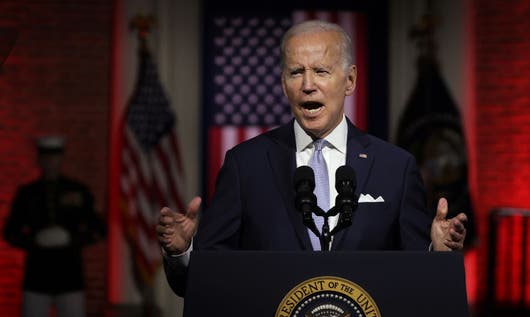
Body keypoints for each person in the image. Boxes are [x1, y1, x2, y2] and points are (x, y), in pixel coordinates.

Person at [156, 20, 468, 296]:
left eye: (321, 71)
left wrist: (437, 253)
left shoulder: (395, 168)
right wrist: (183, 252)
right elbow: (209, 282)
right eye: (296, 73)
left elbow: (417, 278)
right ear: (283, 84)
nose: (308, 85)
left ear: (350, 81)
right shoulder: (245, 165)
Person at [3, 136, 106, 317]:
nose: (50, 162)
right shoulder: (27, 194)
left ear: (61, 158)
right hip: (37, 276)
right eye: (46, 157)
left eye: (54, 157)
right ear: (39, 159)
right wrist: (34, 241)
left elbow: (98, 229)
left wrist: (71, 239)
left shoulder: (78, 191)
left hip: (69, 275)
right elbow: (10, 232)